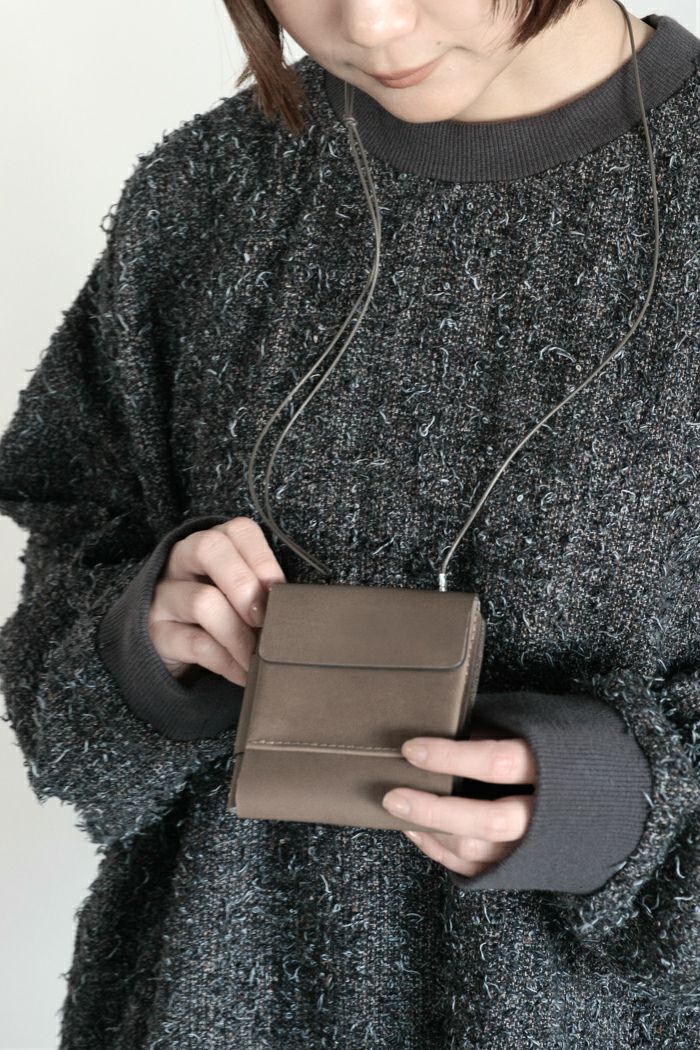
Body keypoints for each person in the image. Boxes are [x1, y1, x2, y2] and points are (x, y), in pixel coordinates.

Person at [0, 0, 698, 1045]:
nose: (370, 24)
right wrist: (146, 640)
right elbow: (64, 561)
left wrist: (615, 803)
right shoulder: (208, 191)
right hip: (202, 1005)